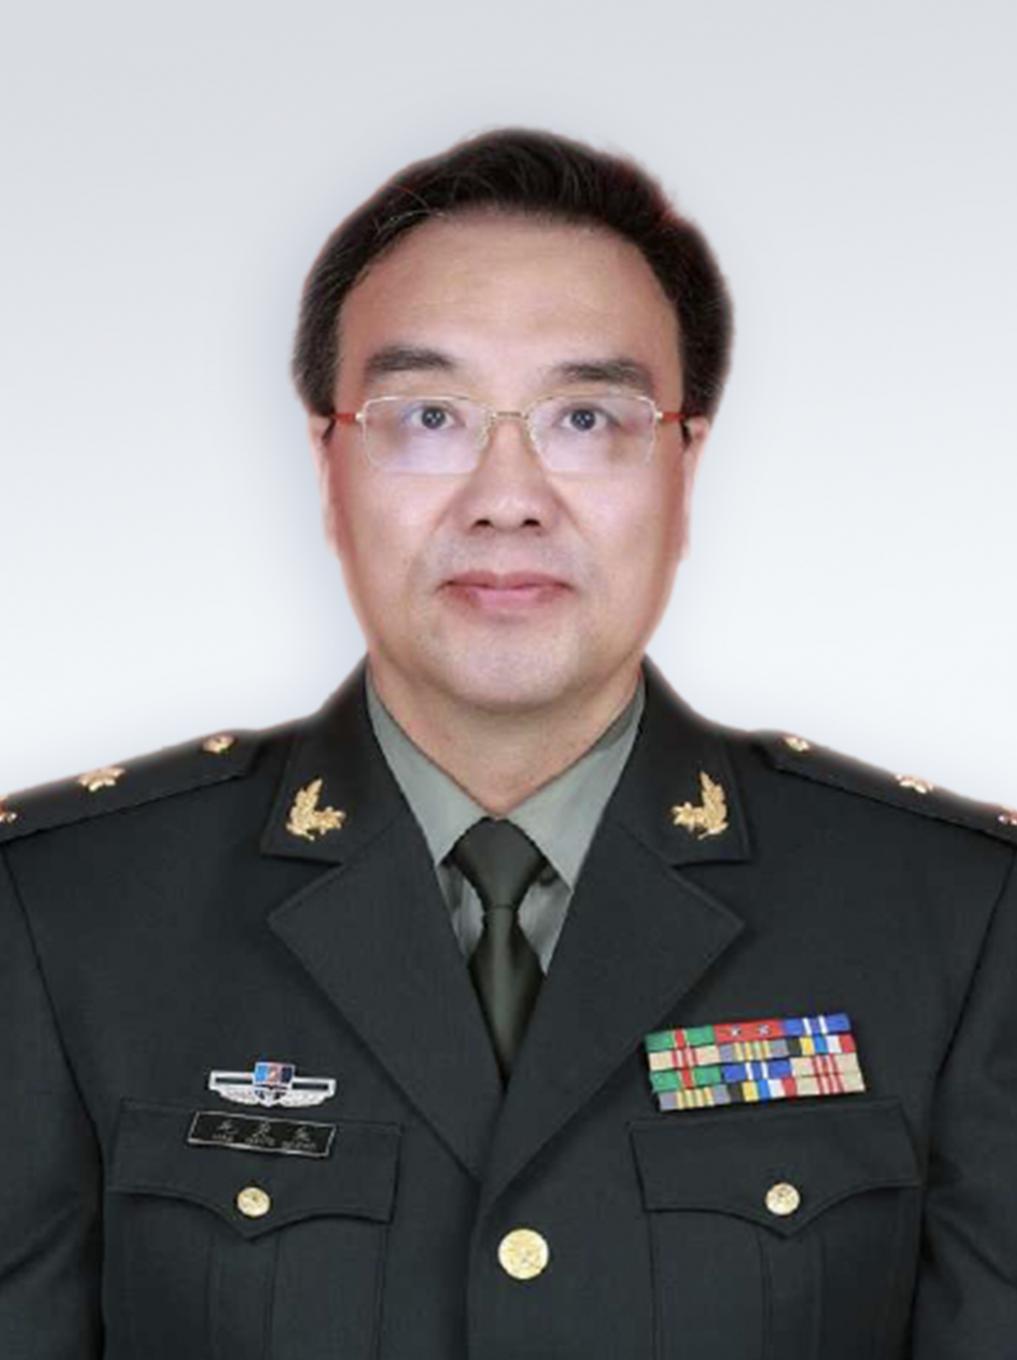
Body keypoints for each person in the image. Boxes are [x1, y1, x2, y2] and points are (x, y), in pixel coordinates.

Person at [1, 126, 1015, 1360]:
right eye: (428, 415)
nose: (508, 497)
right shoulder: (64, 913)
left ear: (685, 464)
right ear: (328, 462)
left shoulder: (955, 919)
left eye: (587, 418)